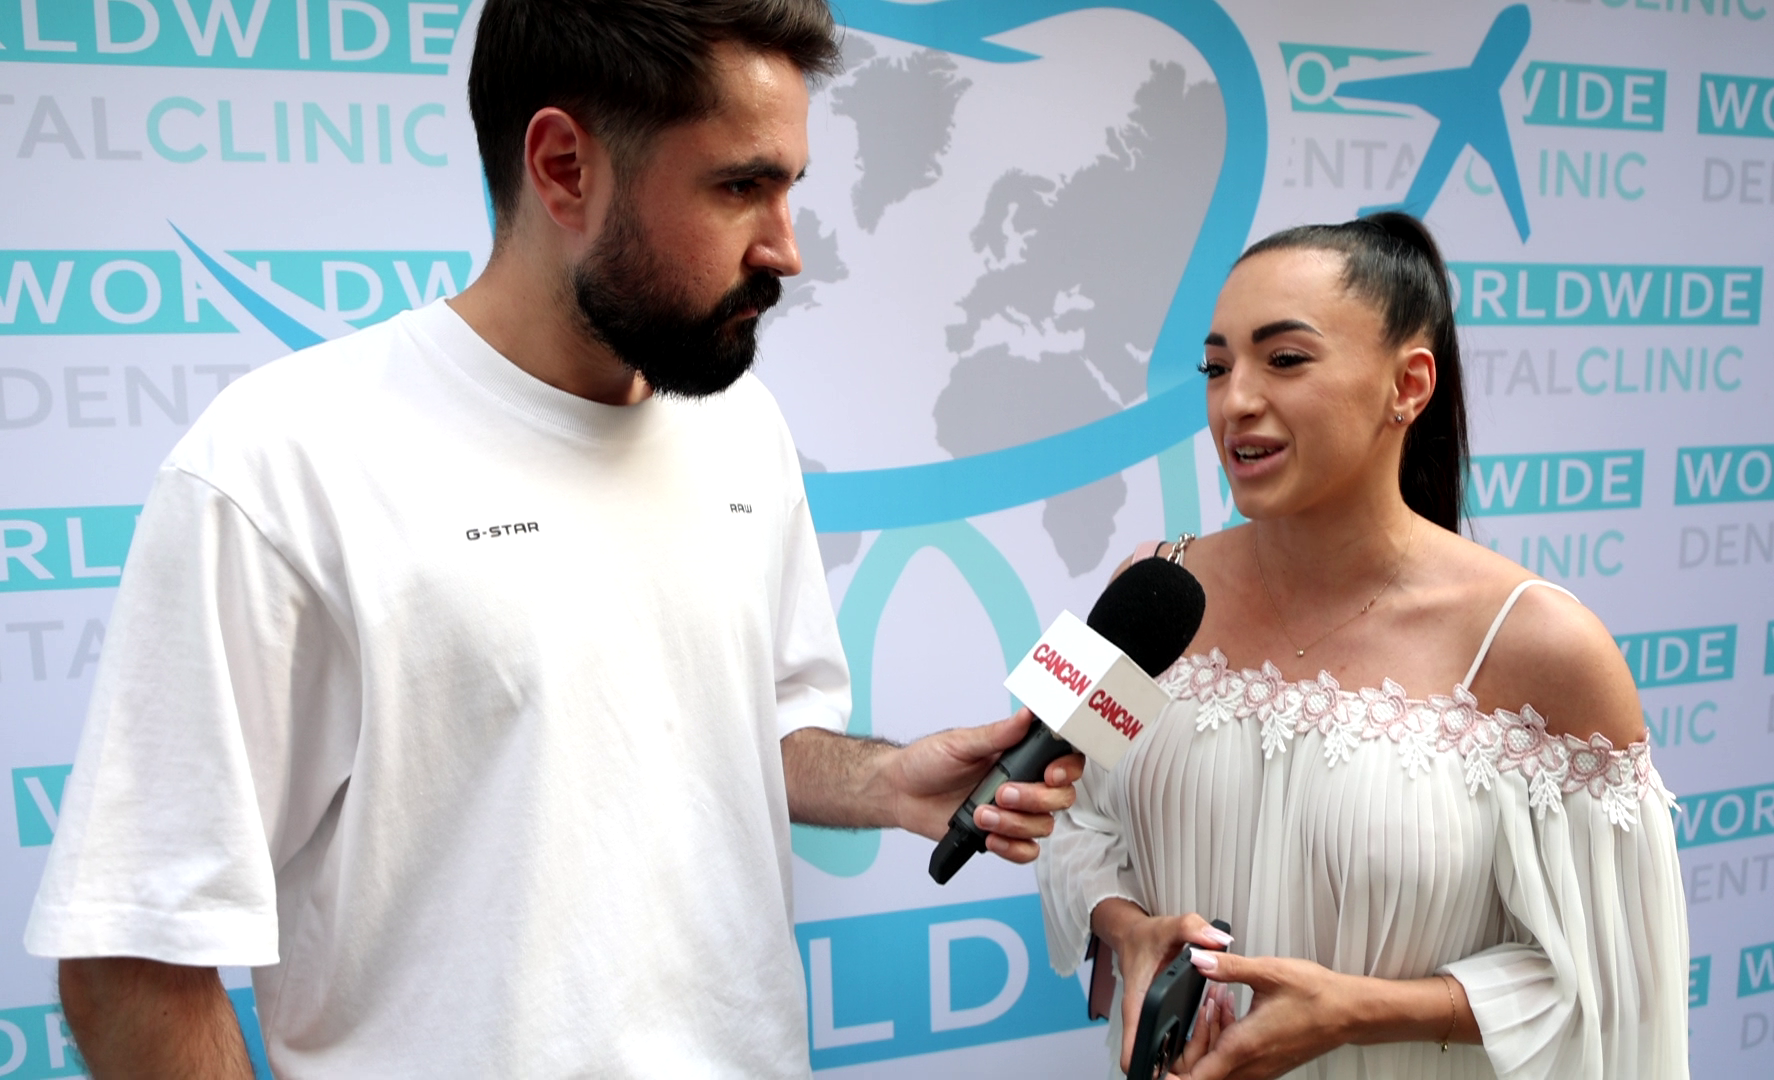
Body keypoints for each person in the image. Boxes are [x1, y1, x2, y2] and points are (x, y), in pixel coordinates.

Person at [24, 2, 1082, 1076]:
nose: (787, 249)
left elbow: (747, 733)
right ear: (565, 167)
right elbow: (128, 958)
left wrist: (886, 781)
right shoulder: (281, 463)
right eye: (738, 187)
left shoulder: (740, 427)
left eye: (789, 187)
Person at [1035, 214, 1689, 1080]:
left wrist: (1357, 1013)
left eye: (1285, 359)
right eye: (1216, 368)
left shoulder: (1547, 644)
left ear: (1408, 385)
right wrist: (1125, 926)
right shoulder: (1147, 586)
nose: (1236, 401)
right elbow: (1062, 810)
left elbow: (1613, 979)